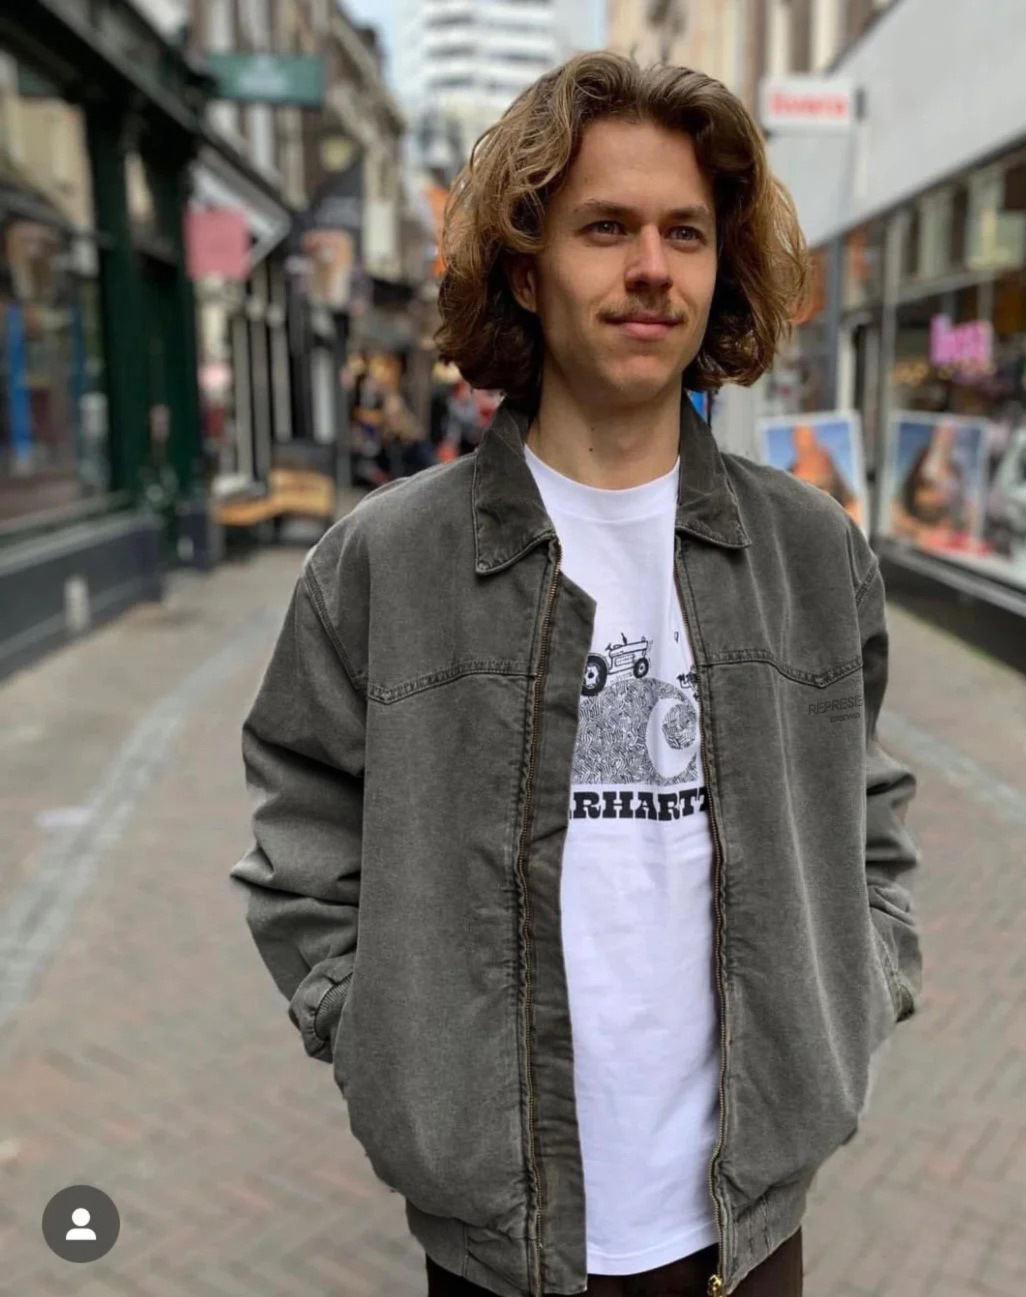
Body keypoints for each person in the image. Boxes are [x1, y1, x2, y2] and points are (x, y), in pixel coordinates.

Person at [229, 52, 921, 1297]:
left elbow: (867, 813)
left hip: (748, 1229)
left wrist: (863, 986)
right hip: (496, 1240)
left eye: (685, 232)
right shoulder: (388, 562)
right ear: (524, 265)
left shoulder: (813, 555)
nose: (652, 267)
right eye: (606, 227)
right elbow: (301, 832)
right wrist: (375, 1035)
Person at [786, 423, 862, 525]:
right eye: (801, 435)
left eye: (809, 435)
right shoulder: (790, 473)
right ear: (794, 439)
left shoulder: (826, 461)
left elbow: (846, 495)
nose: (806, 440)